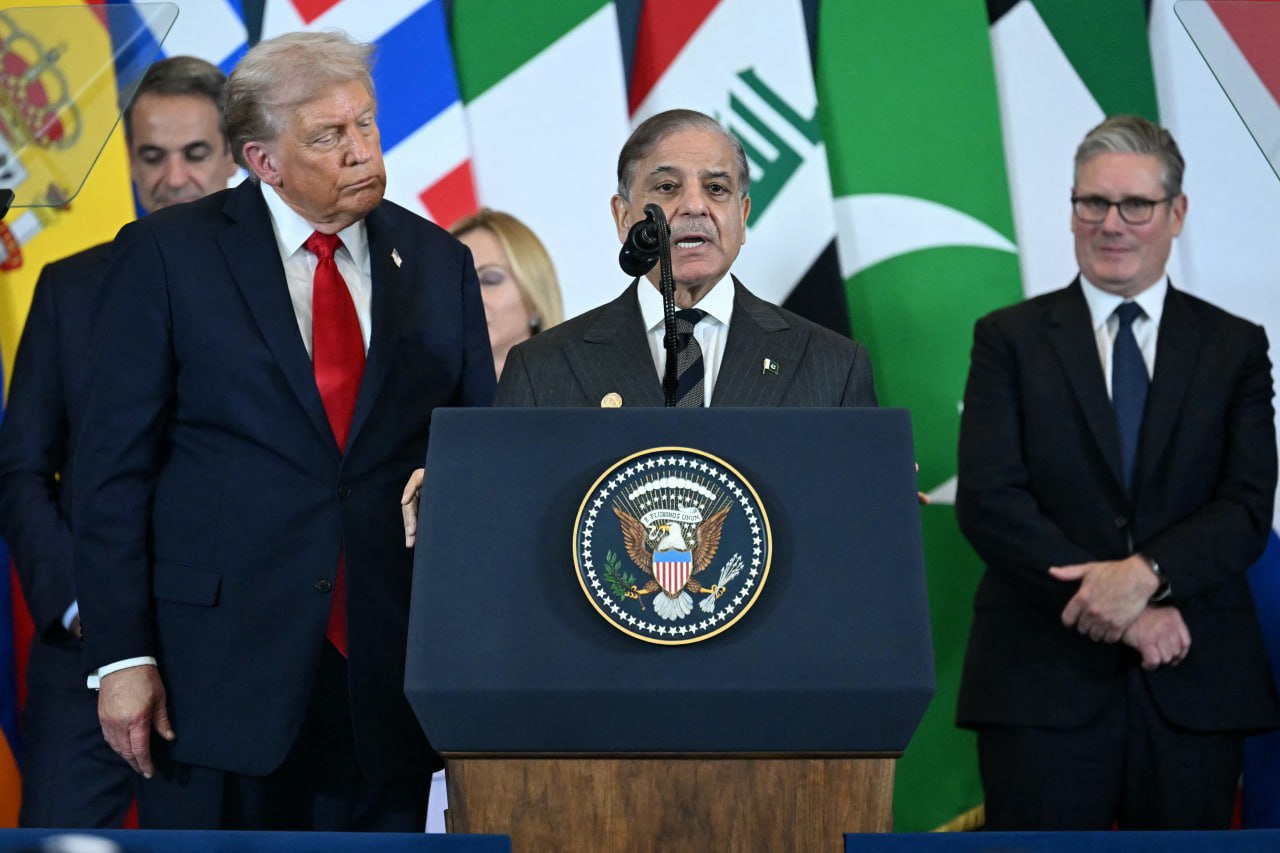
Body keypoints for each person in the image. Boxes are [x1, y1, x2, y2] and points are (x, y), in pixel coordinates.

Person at [71, 31, 494, 831]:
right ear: (263, 160)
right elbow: (111, 471)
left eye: (365, 123)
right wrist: (123, 655)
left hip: (383, 676)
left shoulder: (437, 262)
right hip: (211, 681)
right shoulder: (168, 255)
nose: (360, 150)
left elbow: (476, 452)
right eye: (329, 136)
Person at [955, 114, 1280, 830]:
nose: (1111, 224)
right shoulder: (1007, 339)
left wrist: (1148, 574)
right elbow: (989, 499)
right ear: (1072, 208)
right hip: (1041, 683)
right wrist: (1126, 610)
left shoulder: (1235, 347)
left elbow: (1246, 505)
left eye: (1135, 205)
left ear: (1176, 213)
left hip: (1193, 679)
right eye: (1093, 203)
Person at [402, 108, 877, 543]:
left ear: (742, 214)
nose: (694, 206)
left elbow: (856, 534)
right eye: (667, 188)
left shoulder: (831, 365)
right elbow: (506, 526)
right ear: (623, 216)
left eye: (716, 189)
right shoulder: (543, 366)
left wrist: (880, 502)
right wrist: (458, 494)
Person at [0, 55, 237, 828]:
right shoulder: (70, 288)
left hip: (231, 652)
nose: (173, 177)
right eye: (152, 155)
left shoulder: (282, 290)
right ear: (130, 162)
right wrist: (83, 608)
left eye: (195, 153)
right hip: (86, 657)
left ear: (234, 157)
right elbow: (22, 470)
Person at [450, 208, 564, 378]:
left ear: (534, 300)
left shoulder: (587, 388)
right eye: (455, 280)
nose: (467, 293)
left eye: (490, 279)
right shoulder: (417, 388)